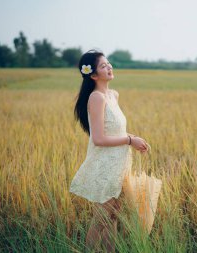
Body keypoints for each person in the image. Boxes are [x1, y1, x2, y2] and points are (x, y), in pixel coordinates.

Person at [69, 49, 149, 252]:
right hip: (105, 165)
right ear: (93, 75)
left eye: (108, 63)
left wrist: (133, 140)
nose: (109, 67)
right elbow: (98, 139)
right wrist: (130, 139)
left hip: (120, 163)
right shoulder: (96, 98)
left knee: (113, 215)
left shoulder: (113, 95)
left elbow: (116, 130)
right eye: (103, 66)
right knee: (103, 218)